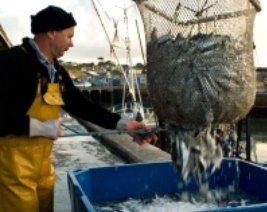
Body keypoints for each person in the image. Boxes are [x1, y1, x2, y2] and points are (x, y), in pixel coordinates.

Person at [0, 5, 155, 212]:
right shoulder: (11, 62)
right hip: (11, 170)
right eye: (69, 36)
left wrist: (124, 124)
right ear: (52, 32)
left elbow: (81, 105)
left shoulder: (56, 70)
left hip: (43, 169)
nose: (72, 43)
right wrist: (40, 127)